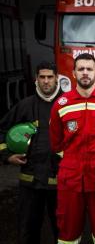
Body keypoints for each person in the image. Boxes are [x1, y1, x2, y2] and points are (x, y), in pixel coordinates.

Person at [49, 53, 95, 244]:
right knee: (67, 232)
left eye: (89, 69)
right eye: (80, 69)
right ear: (73, 73)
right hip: (71, 180)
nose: (85, 73)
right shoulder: (61, 104)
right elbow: (56, 144)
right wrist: (73, 161)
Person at [0, 62, 62, 244]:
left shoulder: (68, 105)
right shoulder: (25, 106)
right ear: (36, 79)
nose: (46, 81)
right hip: (30, 181)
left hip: (60, 183)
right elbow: (2, 130)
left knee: (64, 232)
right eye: (42, 77)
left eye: (50, 77)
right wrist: (7, 156)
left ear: (57, 78)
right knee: (27, 231)